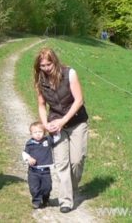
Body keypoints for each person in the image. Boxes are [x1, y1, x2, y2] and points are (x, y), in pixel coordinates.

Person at [33, 47, 89, 214]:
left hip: (77, 122)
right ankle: (66, 200)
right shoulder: (40, 81)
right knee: (61, 163)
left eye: (48, 64)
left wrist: (64, 120)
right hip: (55, 125)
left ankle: (72, 187)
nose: (46, 68)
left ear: (55, 61)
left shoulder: (69, 73)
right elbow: (42, 105)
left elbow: (79, 100)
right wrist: (45, 124)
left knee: (77, 161)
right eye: (42, 65)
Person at [22, 121, 60, 209]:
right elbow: (24, 153)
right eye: (35, 132)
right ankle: (36, 202)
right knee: (34, 188)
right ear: (31, 134)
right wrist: (29, 158)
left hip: (46, 171)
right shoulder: (29, 143)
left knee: (47, 187)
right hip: (33, 171)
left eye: (40, 132)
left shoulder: (47, 140)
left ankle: (45, 199)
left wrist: (56, 129)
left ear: (44, 132)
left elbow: (57, 137)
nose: (38, 134)